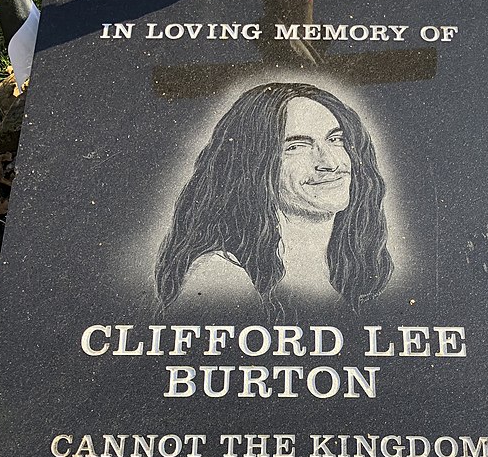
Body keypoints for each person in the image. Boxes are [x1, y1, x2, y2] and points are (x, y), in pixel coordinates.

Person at [155, 82, 393, 319]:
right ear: (254, 165)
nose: (329, 163)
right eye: (296, 146)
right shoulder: (220, 275)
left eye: (336, 140)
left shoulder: (342, 271)